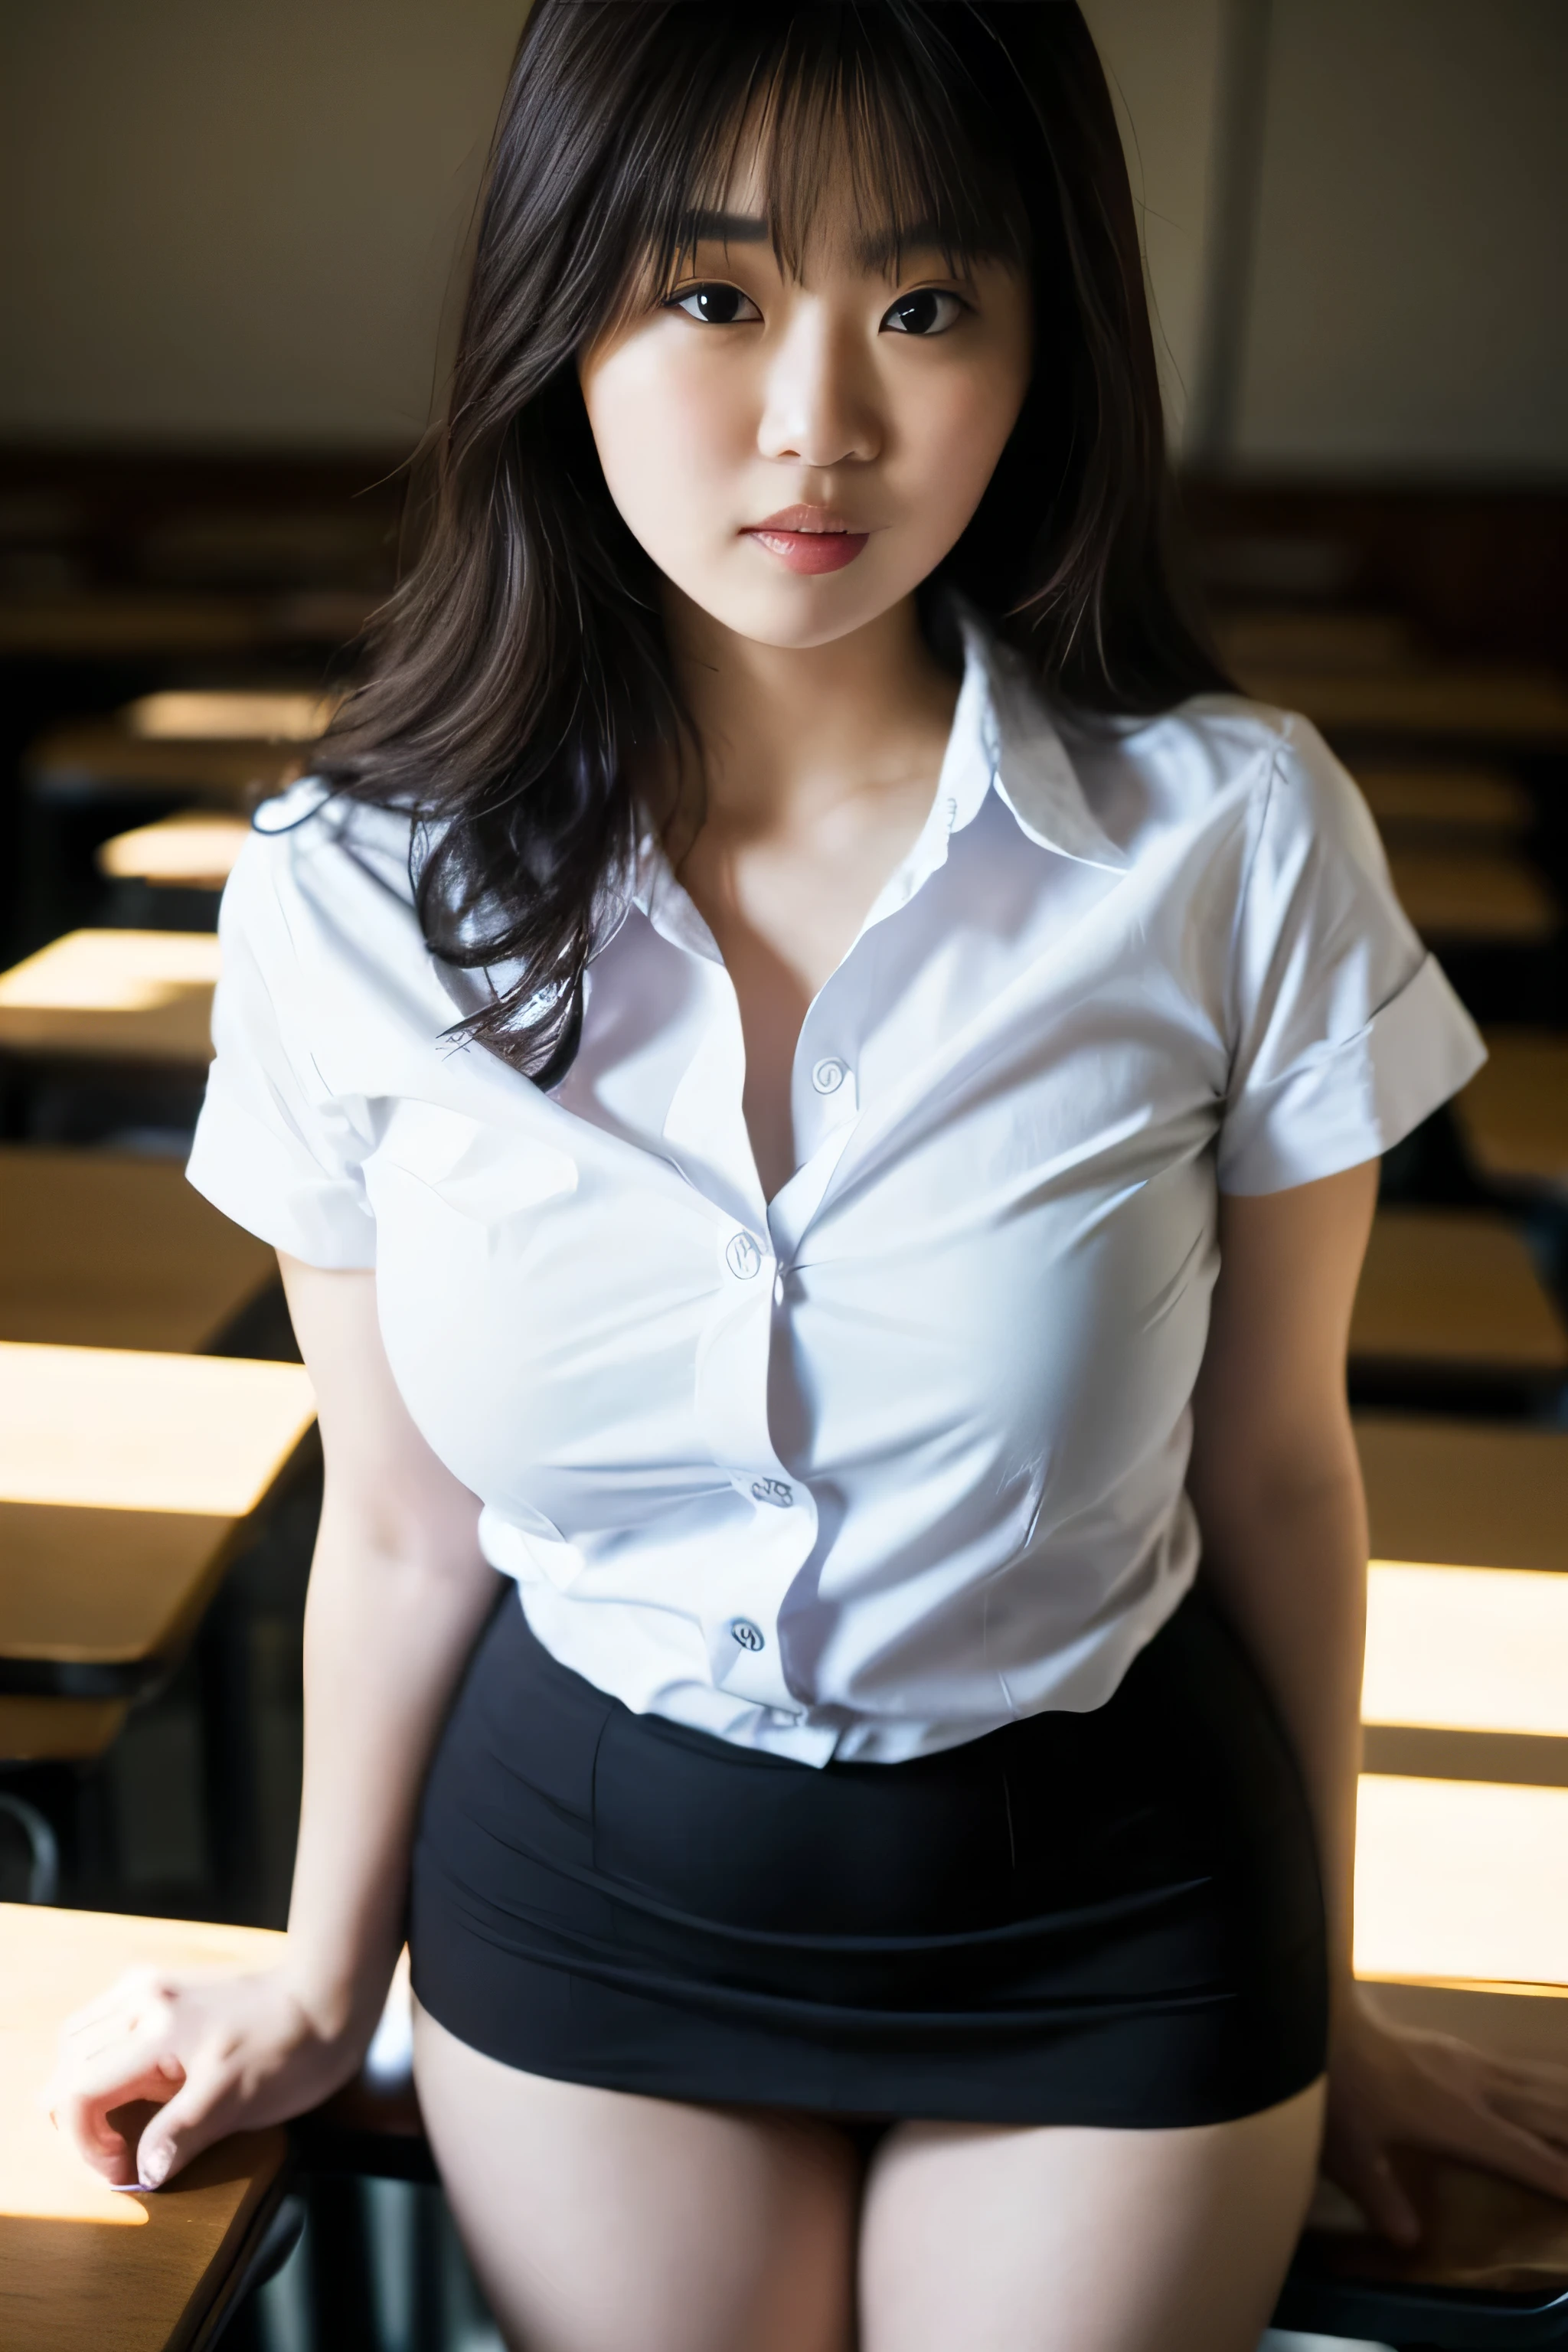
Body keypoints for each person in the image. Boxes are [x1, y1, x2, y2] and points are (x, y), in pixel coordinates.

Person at [51, 6, 1568, 2347]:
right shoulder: (346, 889)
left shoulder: (1231, 838)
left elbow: (1276, 1473)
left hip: (1120, 1899)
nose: (821, 423)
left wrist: (1334, 1991)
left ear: (1049, 344)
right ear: (561, 316)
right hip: (589, 1889)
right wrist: (318, 1972)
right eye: (716, 296)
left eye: (931, 307)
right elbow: (398, 1521)